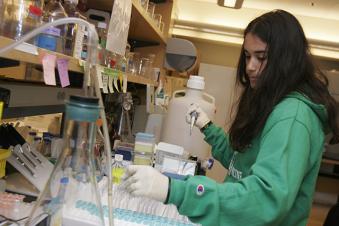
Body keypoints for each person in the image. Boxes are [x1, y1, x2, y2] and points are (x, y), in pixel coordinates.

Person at [122, 9, 339, 226]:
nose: (250, 67)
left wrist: (174, 190)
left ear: (287, 59)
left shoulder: (293, 116)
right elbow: (241, 163)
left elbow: (265, 198)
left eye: (261, 57)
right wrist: (207, 127)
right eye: (247, 56)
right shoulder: (273, 102)